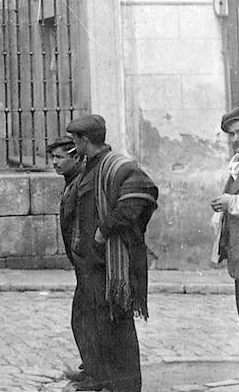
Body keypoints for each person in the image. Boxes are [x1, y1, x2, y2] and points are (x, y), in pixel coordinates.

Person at [64, 114, 158, 392]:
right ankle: (101, 378)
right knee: (94, 324)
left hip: (113, 265)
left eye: (74, 141)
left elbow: (140, 199)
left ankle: (127, 387)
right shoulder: (88, 166)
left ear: (84, 140)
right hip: (91, 264)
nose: (73, 146)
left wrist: (105, 230)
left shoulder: (119, 166)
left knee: (117, 327)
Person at [211, 105, 239, 392]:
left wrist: (231, 204)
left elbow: (237, 203)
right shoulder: (238, 164)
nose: (237, 138)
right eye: (232, 134)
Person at [47, 134, 87, 386]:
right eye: (52, 157)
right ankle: (90, 366)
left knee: (84, 317)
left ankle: (94, 371)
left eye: (60, 157)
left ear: (75, 156)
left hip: (87, 260)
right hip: (80, 261)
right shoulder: (71, 179)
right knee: (81, 318)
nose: (54, 162)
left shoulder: (81, 181)